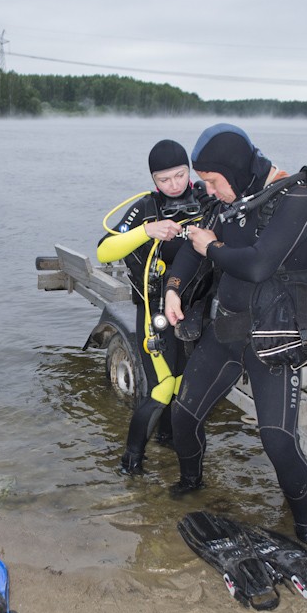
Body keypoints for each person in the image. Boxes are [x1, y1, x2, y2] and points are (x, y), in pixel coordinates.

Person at [164, 123, 307, 562]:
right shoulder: (231, 198)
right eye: (203, 181)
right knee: (182, 417)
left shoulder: (297, 199)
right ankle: (191, 485)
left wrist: (210, 249)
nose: (207, 188)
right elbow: (192, 245)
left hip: (274, 338)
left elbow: (259, 265)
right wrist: (173, 287)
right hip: (226, 331)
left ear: (235, 170)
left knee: (278, 441)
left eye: (211, 180)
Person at [97, 139, 212, 474]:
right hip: (155, 311)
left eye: (179, 175)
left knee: (185, 387)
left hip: (197, 311)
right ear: (153, 180)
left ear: (189, 171)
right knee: (163, 387)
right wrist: (147, 231)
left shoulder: (206, 199)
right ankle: (131, 461)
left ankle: (171, 440)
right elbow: (105, 250)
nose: (174, 184)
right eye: (164, 180)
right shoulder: (146, 207)